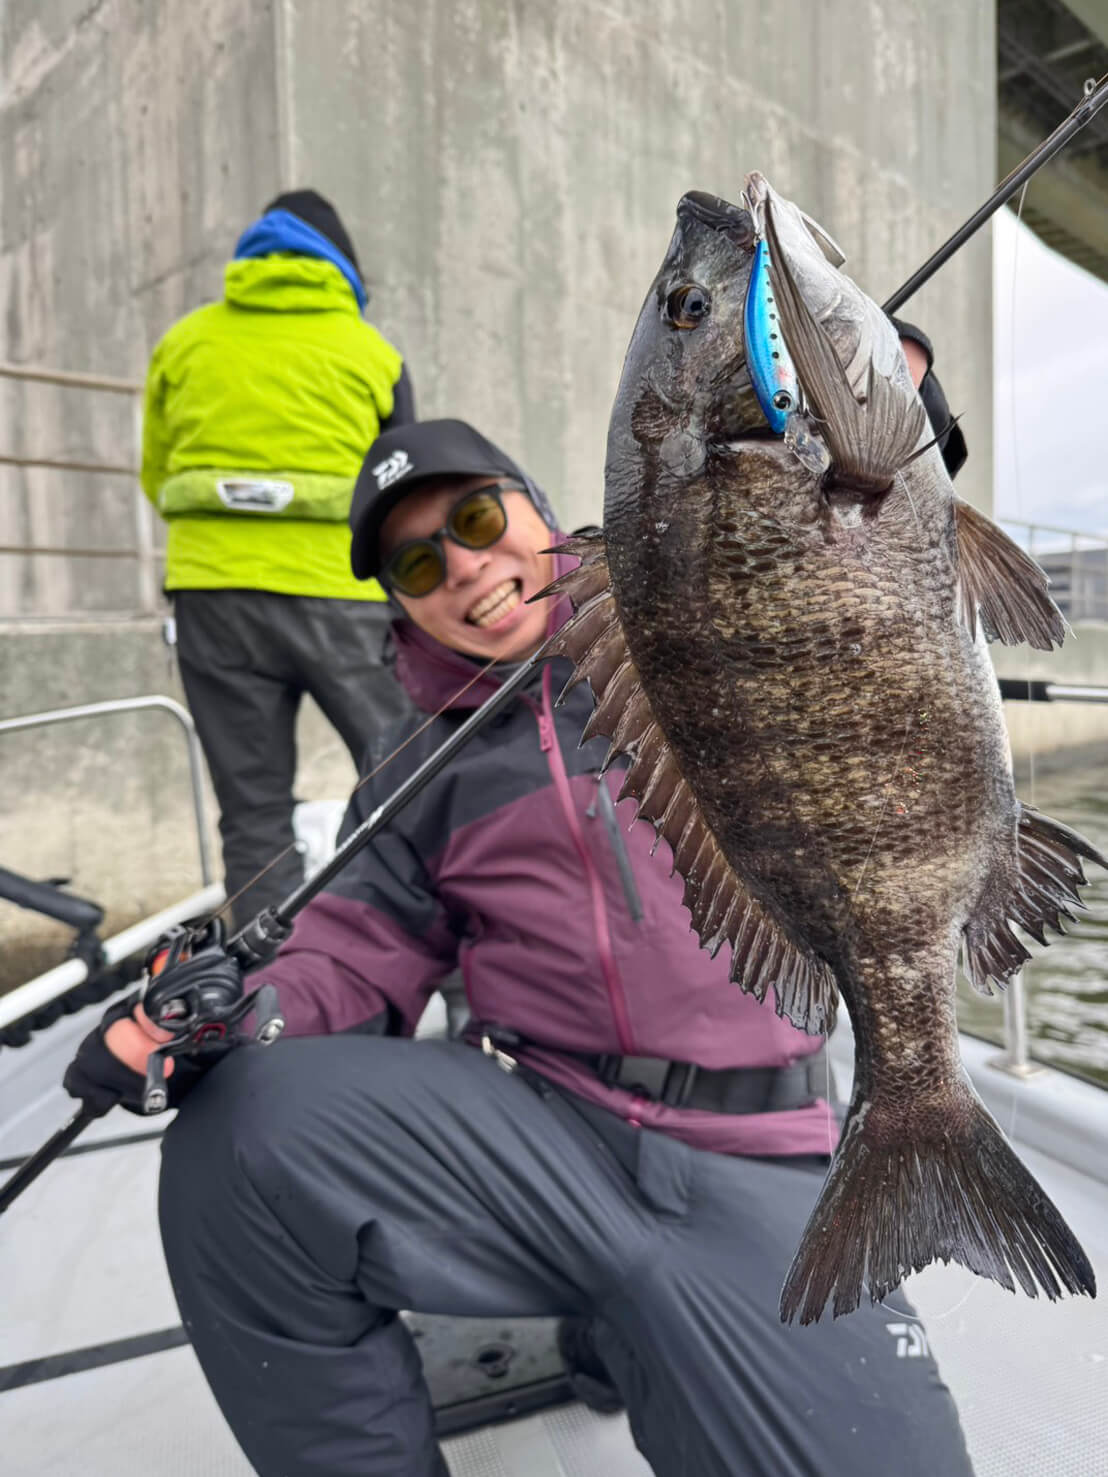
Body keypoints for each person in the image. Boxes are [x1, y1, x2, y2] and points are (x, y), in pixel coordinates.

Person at [67, 396, 976, 1476]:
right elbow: (350, 952)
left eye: (478, 520)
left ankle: (626, 1331)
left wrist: (889, 425)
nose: (457, 565)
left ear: (539, 510)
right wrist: (229, 1015)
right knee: (240, 1130)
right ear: (402, 608)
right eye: (413, 565)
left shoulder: (698, 622)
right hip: (544, 1133)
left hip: (755, 1153)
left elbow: (848, 565)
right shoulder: (412, 770)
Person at [140, 188, 416, 924]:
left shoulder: (185, 342)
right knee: (407, 780)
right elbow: (402, 489)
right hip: (344, 596)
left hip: (213, 596)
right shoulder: (371, 352)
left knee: (253, 808)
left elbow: (156, 472)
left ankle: (268, 996)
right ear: (342, 268)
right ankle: (453, 987)